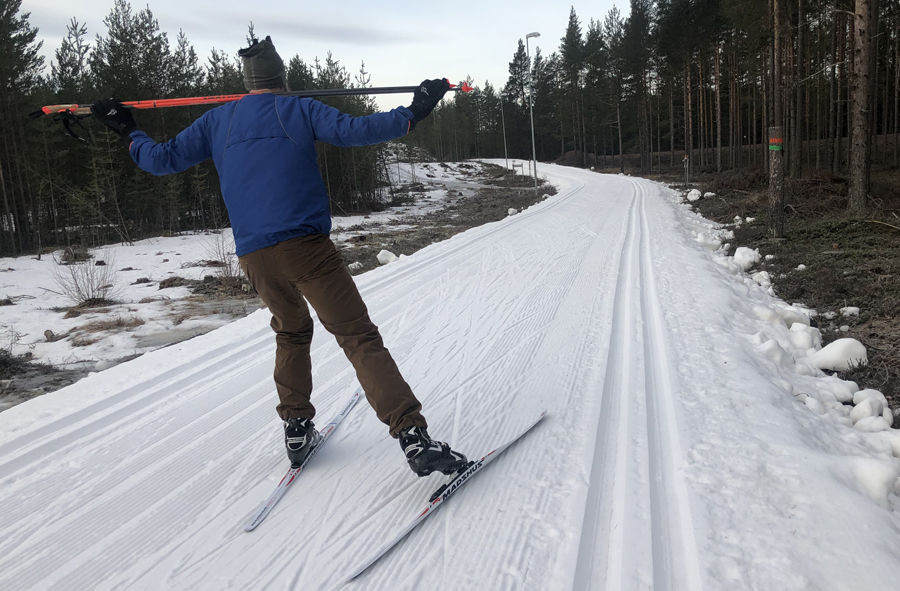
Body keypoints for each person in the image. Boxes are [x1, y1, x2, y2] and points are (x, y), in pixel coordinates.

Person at [91, 36, 467, 478]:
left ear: (246, 82)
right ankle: (412, 437)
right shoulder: (299, 109)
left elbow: (160, 160)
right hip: (305, 250)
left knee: (291, 332)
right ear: (282, 78)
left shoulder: (218, 120)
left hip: (255, 256)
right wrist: (416, 109)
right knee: (357, 336)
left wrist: (125, 128)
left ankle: (296, 426)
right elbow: (360, 130)